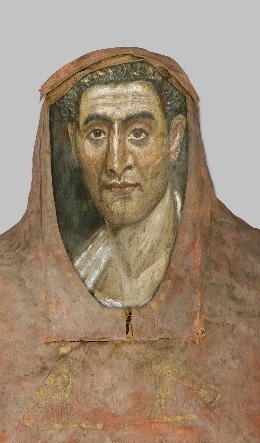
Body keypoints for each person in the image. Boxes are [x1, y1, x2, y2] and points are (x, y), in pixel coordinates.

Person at [60, 62, 187, 308]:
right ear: (74, 144)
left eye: (138, 133)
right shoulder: (78, 272)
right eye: (97, 134)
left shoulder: (226, 265)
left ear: (174, 139)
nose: (116, 164)